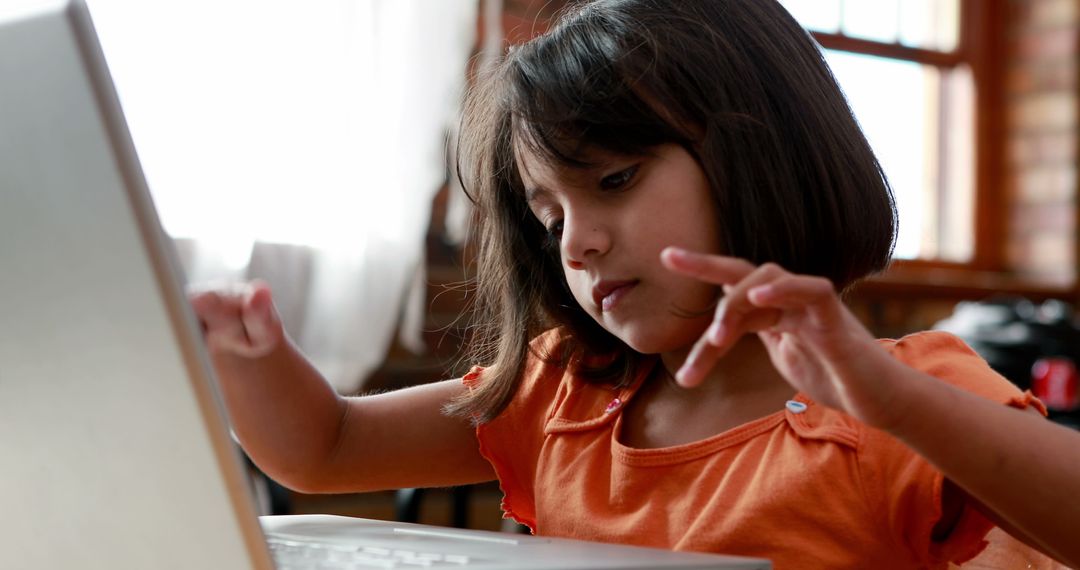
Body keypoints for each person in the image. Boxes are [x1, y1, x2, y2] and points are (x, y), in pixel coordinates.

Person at [189, 0, 1078, 568]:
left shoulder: (903, 397)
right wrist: (246, 356)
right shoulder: (562, 392)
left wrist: (895, 403)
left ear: (759, 151)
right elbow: (326, 446)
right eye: (549, 217)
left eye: (614, 181)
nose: (579, 240)